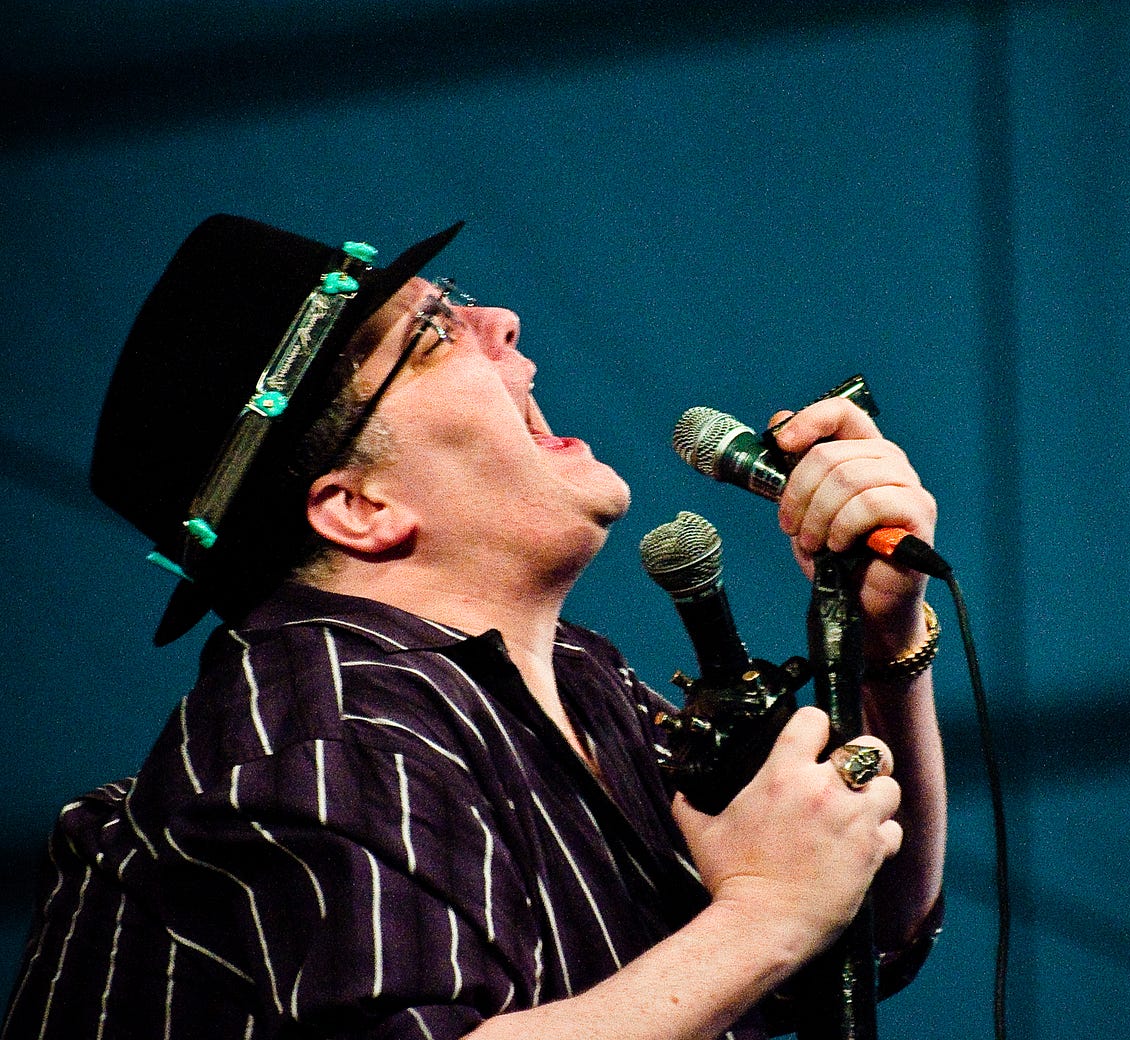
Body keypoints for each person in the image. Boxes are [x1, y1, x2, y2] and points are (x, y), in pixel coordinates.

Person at [2, 216, 947, 1039]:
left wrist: (882, 640)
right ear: (358, 506)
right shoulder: (329, 721)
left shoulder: (580, 678)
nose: (501, 320)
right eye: (428, 337)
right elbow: (781, 916)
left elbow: (863, 939)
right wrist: (766, 913)